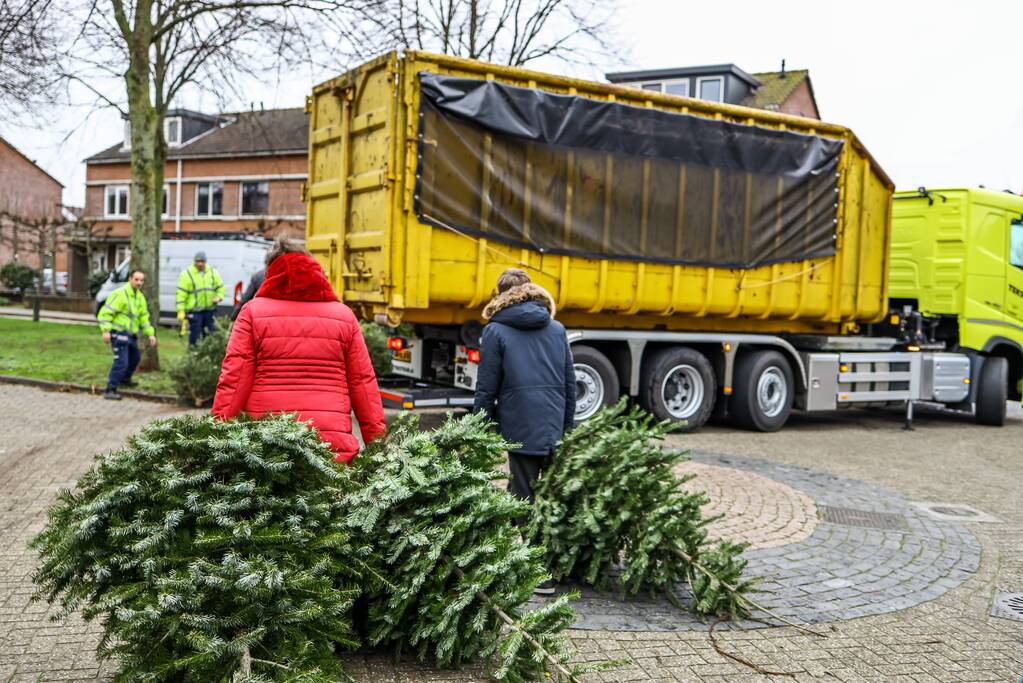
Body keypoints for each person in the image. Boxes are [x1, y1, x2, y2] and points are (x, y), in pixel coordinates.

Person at [211, 238, 386, 462]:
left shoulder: (252, 313)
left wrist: (215, 438)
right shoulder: (344, 317)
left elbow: (234, 381)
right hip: (331, 450)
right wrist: (378, 449)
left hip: (266, 449)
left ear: (271, 271)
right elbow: (363, 384)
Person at [473, 268, 576, 593]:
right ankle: (556, 559)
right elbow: (570, 383)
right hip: (554, 422)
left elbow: (486, 387)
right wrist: (568, 428)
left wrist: (476, 429)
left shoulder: (496, 331)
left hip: (520, 424)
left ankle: (539, 572)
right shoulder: (557, 328)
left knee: (523, 494)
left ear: (500, 295)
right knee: (547, 493)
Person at [96, 268, 157, 401]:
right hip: (119, 333)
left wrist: (150, 334)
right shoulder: (120, 294)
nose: (139, 282)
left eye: (141, 280)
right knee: (121, 362)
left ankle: (125, 379)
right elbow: (105, 313)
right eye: (136, 279)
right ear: (130, 279)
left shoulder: (140, 297)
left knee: (135, 358)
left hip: (130, 335)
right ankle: (110, 389)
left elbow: (144, 319)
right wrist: (106, 331)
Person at [176, 251, 225, 346]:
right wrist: (180, 310)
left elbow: (220, 288)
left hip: (210, 311)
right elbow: (181, 294)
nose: (200, 264)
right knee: (195, 337)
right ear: (194, 262)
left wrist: (219, 297)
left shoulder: (212, 273)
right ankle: (193, 355)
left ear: (205, 262)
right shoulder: (186, 274)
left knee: (210, 336)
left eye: (202, 261)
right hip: (195, 312)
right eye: (198, 261)